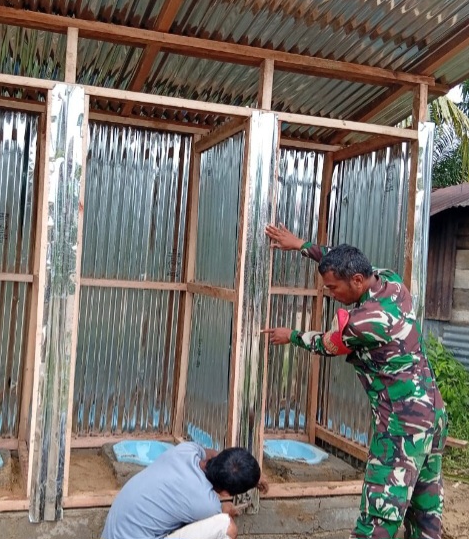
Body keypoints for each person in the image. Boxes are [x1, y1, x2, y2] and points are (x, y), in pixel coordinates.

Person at [263, 224, 448, 539]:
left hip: (401, 429)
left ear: (358, 281)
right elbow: (345, 261)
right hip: (433, 415)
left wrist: (290, 335)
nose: (331, 294)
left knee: (378, 518)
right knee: (424, 513)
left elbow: (327, 344)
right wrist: (301, 245)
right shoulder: (391, 283)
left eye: (333, 289)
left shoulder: (364, 323)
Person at [102, 442, 267, 539]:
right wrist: (227, 507)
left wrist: (253, 476)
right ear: (225, 493)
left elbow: (212, 454)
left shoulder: (186, 450)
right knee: (227, 528)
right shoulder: (205, 503)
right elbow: (223, 511)